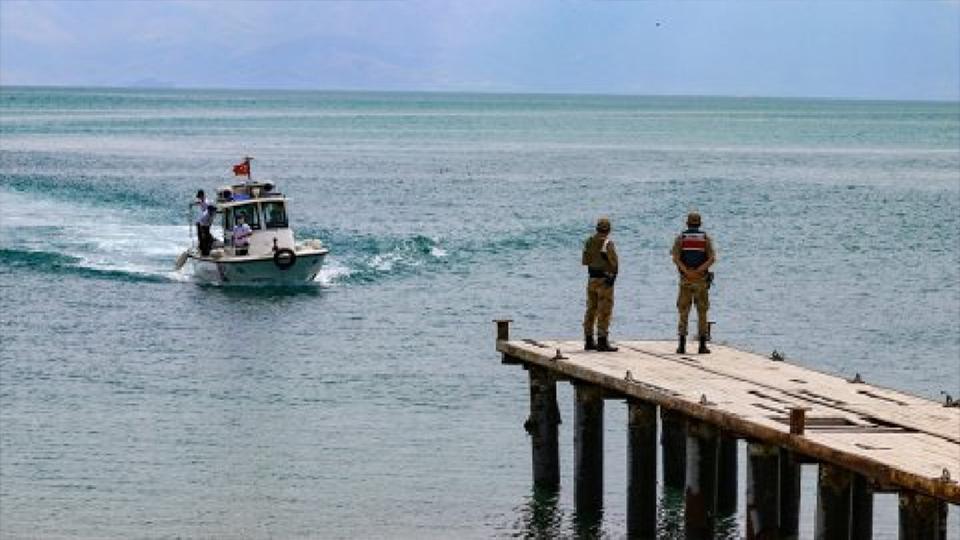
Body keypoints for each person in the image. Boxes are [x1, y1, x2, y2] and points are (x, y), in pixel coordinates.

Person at [671, 211, 716, 354]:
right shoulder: (705, 239)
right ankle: (702, 345)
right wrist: (699, 270)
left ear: (687, 223)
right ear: (700, 223)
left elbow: (675, 258)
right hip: (701, 279)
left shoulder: (681, 238)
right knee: (702, 312)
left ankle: (681, 345)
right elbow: (712, 258)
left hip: (685, 280)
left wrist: (686, 271)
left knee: (683, 311)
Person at [582, 216, 619, 352]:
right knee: (604, 310)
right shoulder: (608, 243)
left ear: (597, 228)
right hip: (604, 281)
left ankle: (588, 340)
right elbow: (614, 264)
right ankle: (602, 340)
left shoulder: (589, 241)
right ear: (608, 230)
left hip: (591, 279)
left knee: (591, 309)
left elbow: (585, 261)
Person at [193, 190, 216, 256]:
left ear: (203, 196)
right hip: (201, 223)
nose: (199, 198)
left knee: (206, 236)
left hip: (205, 222)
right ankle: (203, 249)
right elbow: (202, 222)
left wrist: (208, 226)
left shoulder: (207, 203)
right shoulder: (205, 213)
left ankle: (206, 249)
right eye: (199, 197)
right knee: (203, 237)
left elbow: (210, 220)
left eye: (200, 197)